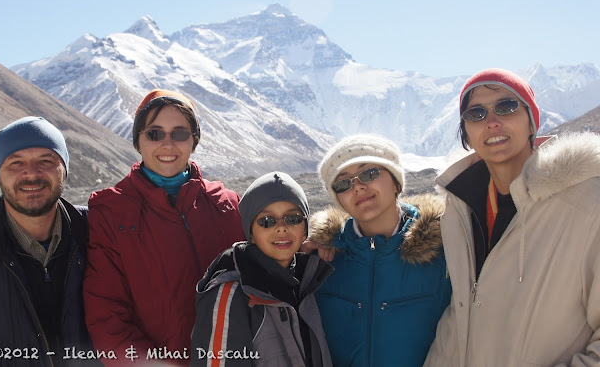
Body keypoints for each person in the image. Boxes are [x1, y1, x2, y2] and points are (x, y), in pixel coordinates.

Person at [424, 68, 600, 366]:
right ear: (466, 134)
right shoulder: (459, 211)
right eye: (476, 114)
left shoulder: (588, 204)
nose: (492, 122)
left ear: (532, 122)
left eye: (506, 106)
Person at [83, 90, 244, 365]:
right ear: (138, 141)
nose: (167, 144)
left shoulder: (227, 206)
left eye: (179, 134)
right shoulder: (111, 213)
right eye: (154, 134)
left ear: (194, 141)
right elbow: (107, 317)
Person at [0, 116, 96, 366]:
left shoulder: (102, 235)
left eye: (46, 161)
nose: (32, 173)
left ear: (64, 170)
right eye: (16, 162)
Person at [306, 134, 451, 367]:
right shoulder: (323, 260)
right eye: (343, 183)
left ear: (397, 183)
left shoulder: (446, 249)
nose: (358, 187)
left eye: (370, 173)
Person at [191, 171, 334, 367]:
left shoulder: (308, 281)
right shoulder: (230, 295)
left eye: (293, 219)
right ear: (250, 233)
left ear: (305, 230)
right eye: (267, 221)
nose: (281, 228)